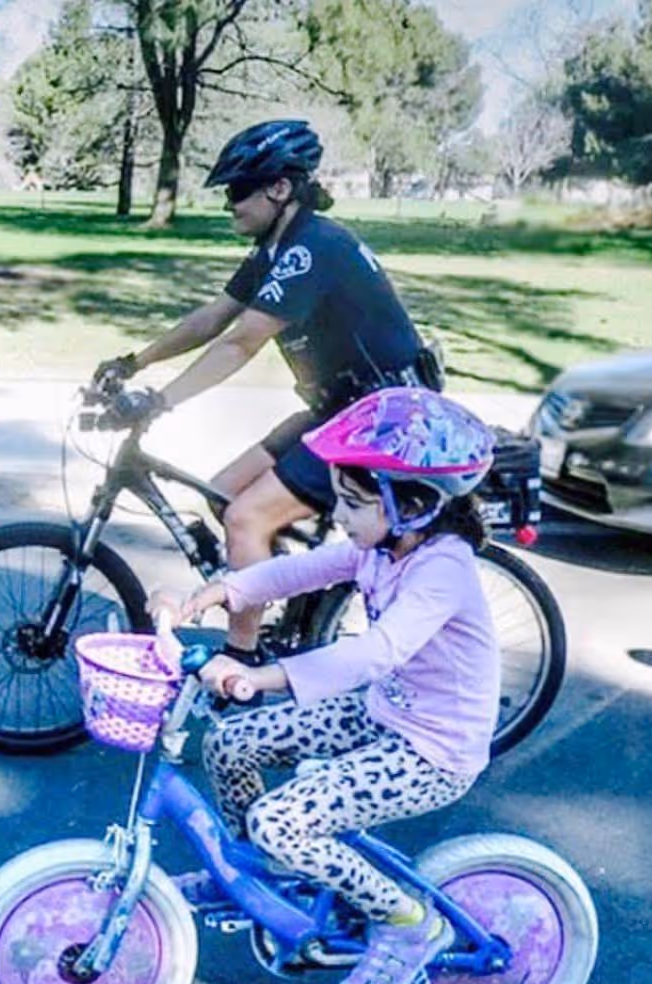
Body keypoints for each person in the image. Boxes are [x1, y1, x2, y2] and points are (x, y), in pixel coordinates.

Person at [152, 388, 499, 984]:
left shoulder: (442, 569)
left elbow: (375, 653)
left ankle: (408, 922)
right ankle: (252, 872)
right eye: (340, 498)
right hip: (386, 712)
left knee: (280, 820)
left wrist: (262, 677)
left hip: (433, 750)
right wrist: (221, 593)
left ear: (411, 505)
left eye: (354, 502)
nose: (340, 513)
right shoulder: (379, 548)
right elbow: (298, 571)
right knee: (232, 743)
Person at [97, 119, 439, 670]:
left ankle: (244, 657)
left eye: (237, 190)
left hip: (384, 416)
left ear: (279, 188)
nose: (227, 203)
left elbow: (242, 343)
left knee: (245, 519)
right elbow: (214, 318)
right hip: (342, 410)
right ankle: (284, 597)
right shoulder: (277, 249)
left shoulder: (312, 248)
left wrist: (158, 401)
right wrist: (134, 362)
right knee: (224, 493)